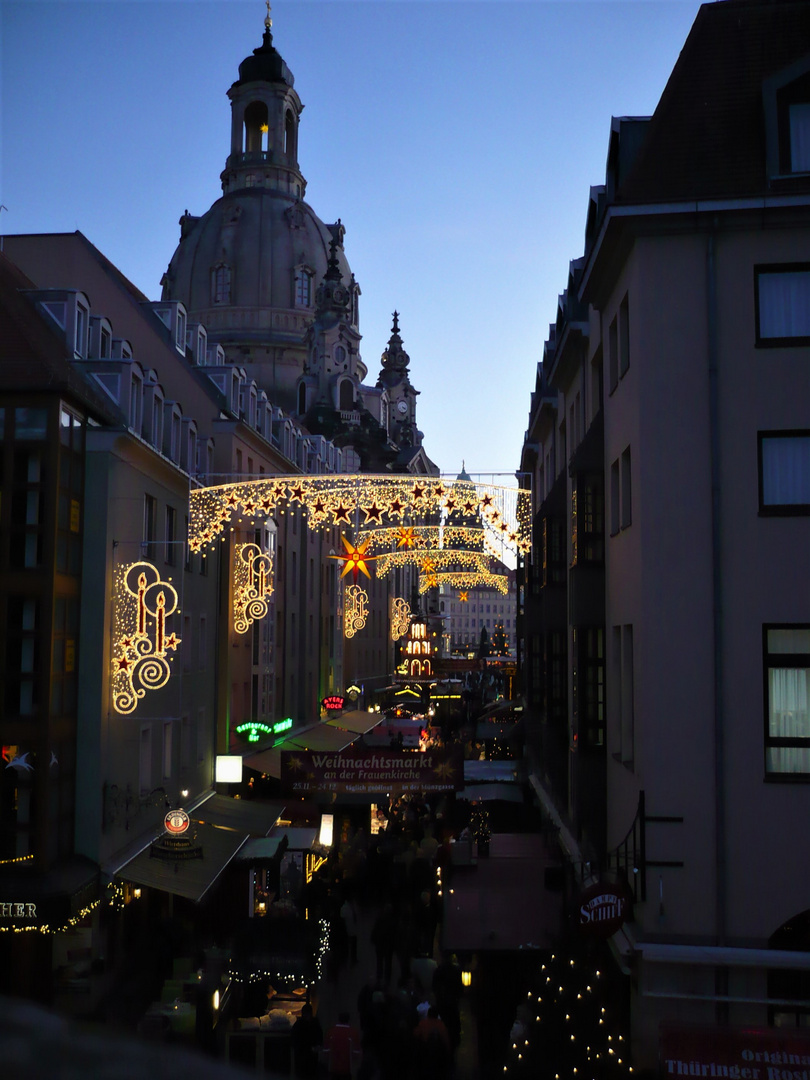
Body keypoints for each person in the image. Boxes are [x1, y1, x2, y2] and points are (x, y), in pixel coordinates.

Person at [324, 1011, 361, 1080]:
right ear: (348, 1020)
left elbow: (326, 1052)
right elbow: (356, 1054)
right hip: (347, 1069)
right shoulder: (353, 1033)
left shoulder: (331, 1032)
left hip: (333, 1068)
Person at [292, 1003, 323, 1078]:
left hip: (302, 1055)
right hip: (309, 1054)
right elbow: (319, 1036)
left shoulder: (298, 1024)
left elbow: (294, 1039)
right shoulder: (315, 1023)